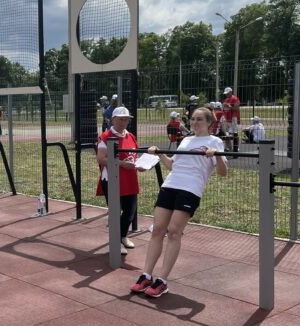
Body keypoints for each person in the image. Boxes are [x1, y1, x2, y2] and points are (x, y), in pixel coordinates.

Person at [130, 107, 228, 298]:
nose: (195, 122)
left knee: (174, 232)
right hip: (170, 185)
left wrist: (216, 155)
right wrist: (159, 154)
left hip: (190, 189)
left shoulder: (215, 141)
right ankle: (146, 275)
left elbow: (224, 172)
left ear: (209, 122)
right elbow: (172, 165)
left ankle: (162, 280)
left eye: (199, 119)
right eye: (193, 119)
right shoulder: (186, 140)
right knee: (158, 229)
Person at [95, 106, 145, 256]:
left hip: (129, 178)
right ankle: (115, 242)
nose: (124, 122)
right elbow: (101, 159)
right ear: (113, 119)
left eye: (126, 119)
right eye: (121, 119)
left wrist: (140, 165)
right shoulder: (106, 136)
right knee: (116, 211)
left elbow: (133, 155)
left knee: (130, 211)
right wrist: (123, 164)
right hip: (112, 180)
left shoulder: (130, 136)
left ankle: (122, 236)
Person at [222, 87, 241, 153]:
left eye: (227, 93)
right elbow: (223, 109)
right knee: (227, 133)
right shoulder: (226, 100)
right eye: (226, 93)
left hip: (233, 118)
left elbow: (237, 109)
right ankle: (227, 147)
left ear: (230, 92)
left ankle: (236, 147)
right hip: (227, 118)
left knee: (234, 133)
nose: (226, 94)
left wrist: (229, 106)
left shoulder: (235, 99)